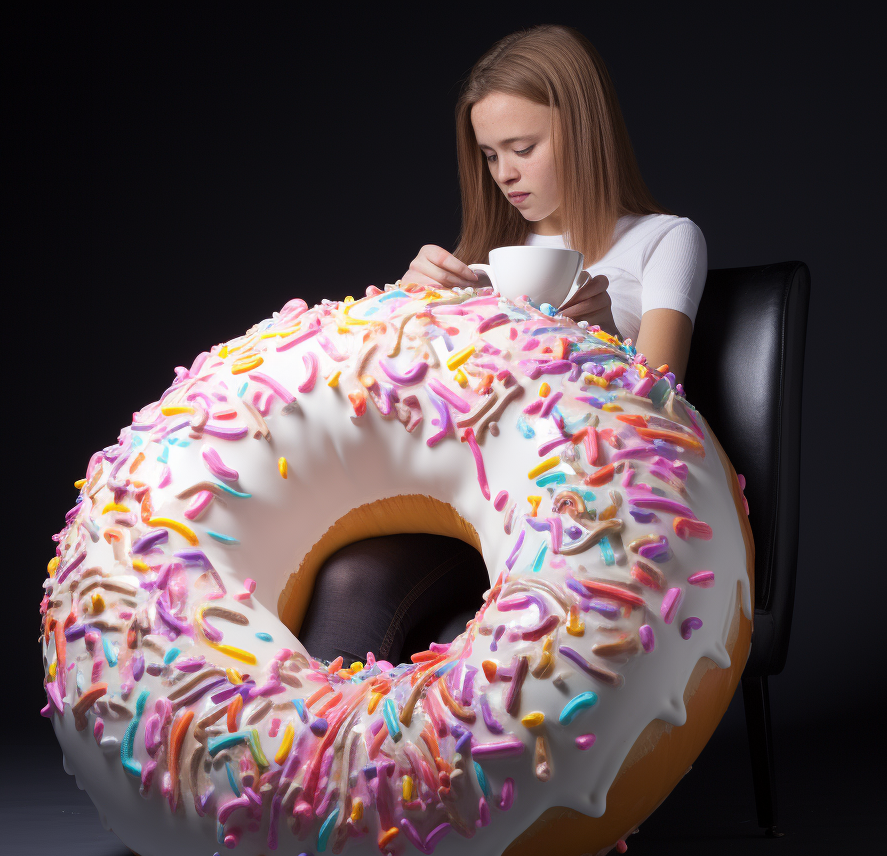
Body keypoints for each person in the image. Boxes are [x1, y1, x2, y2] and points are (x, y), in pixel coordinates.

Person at [298, 24, 707, 667]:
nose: (506, 174)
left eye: (523, 147)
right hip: (472, 498)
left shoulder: (664, 240)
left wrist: (602, 337)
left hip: (582, 505)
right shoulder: (487, 259)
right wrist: (408, 304)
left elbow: (661, 403)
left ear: (584, 131)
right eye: (490, 155)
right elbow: (424, 395)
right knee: (351, 578)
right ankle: (315, 765)